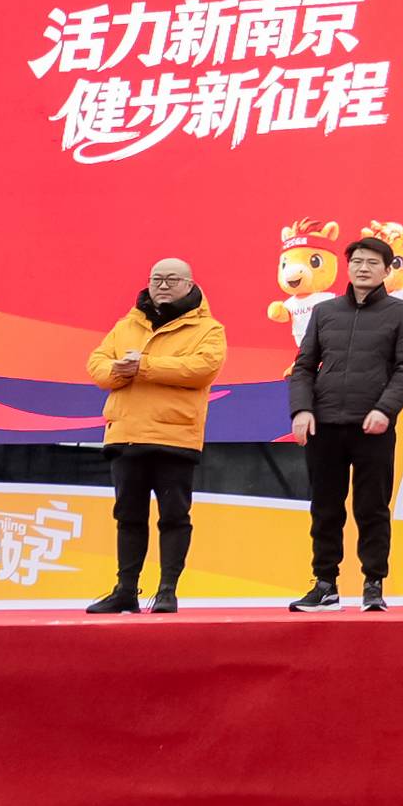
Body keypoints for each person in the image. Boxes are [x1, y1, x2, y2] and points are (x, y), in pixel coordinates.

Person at [285, 229, 403, 612]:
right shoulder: (325, 312)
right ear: (348, 267)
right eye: (357, 262)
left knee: (372, 507)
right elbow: (304, 366)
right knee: (325, 507)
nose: (363, 268)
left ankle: (373, 584)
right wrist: (301, 409)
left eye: (372, 263)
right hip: (325, 424)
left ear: (387, 270)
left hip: (372, 425)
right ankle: (325, 585)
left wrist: (385, 409)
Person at [81, 255, 225, 615]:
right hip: (126, 434)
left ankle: (167, 591)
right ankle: (125, 590)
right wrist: (119, 370)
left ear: (189, 285)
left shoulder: (208, 329)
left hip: (174, 437)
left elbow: (201, 369)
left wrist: (143, 366)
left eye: (171, 279)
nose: (162, 285)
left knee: (174, 516)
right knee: (128, 516)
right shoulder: (127, 324)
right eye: (156, 278)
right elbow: (97, 365)